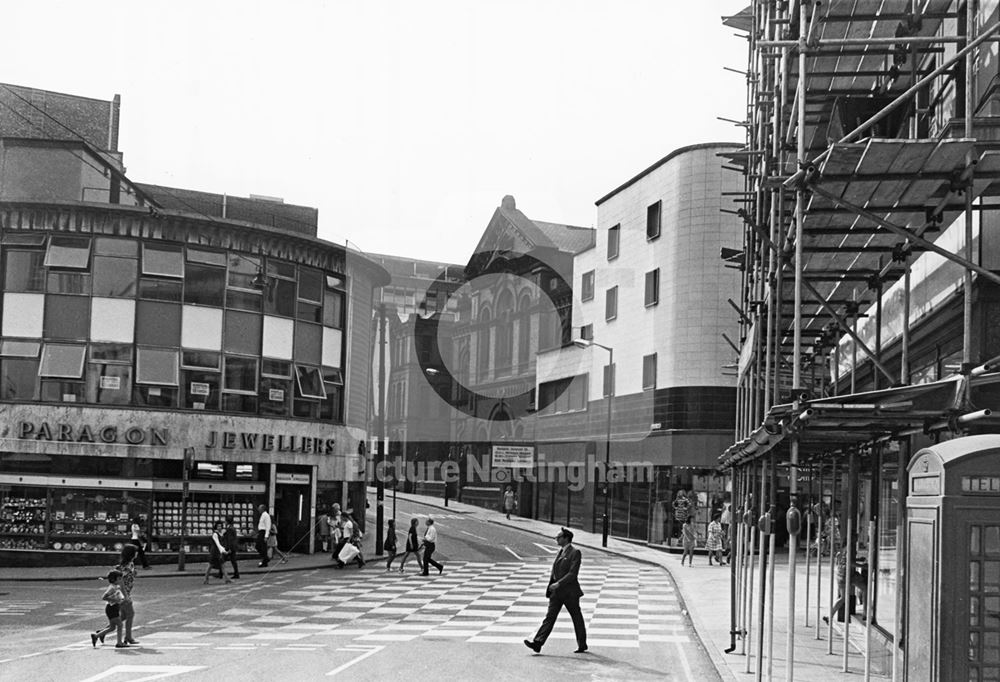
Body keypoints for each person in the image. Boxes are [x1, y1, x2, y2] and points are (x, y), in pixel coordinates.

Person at [524, 527, 588, 654]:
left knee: (576, 618)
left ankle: (582, 644)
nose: (556, 539)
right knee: (550, 617)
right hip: (557, 592)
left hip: (569, 592)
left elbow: (572, 574)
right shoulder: (561, 552)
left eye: (559, 537)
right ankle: (537, 643)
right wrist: (551, 585)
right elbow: (555, 571)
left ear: (566, 539)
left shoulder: (575, 552)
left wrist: (558, 583)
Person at [824, 547, 868, 624]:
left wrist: (858, 560)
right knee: (865, 589)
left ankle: (829, 616)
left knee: (842, 598)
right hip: (848, 575)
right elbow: (850, 562)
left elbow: (844, 560)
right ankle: (865, 613)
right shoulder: (850, 548)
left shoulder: (843, 548)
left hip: (840, 575)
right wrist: (863, 566)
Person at [91, 570, 126, 648]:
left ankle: (96, 636)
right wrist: (115, 600)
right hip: (111, 608)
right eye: (119, 578)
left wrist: (121, 600)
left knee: (112, 627)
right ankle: (119, 643)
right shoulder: (112, 588)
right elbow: (104, 597)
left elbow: (118, 596)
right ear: (114, 579)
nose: (121, 580)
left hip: (114, 607)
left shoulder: (116, 586)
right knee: (120, 625)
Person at [114, 544, 140, 645]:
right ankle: (128, 637)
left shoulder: (130, 564)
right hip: (123, 594)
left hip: (123, 593)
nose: (137, 553)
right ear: (132, 554)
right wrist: (126, 596)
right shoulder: (127, 565)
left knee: (123, 616)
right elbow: (121, 581)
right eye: (136, 551)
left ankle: (103, 632)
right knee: (131, 614)